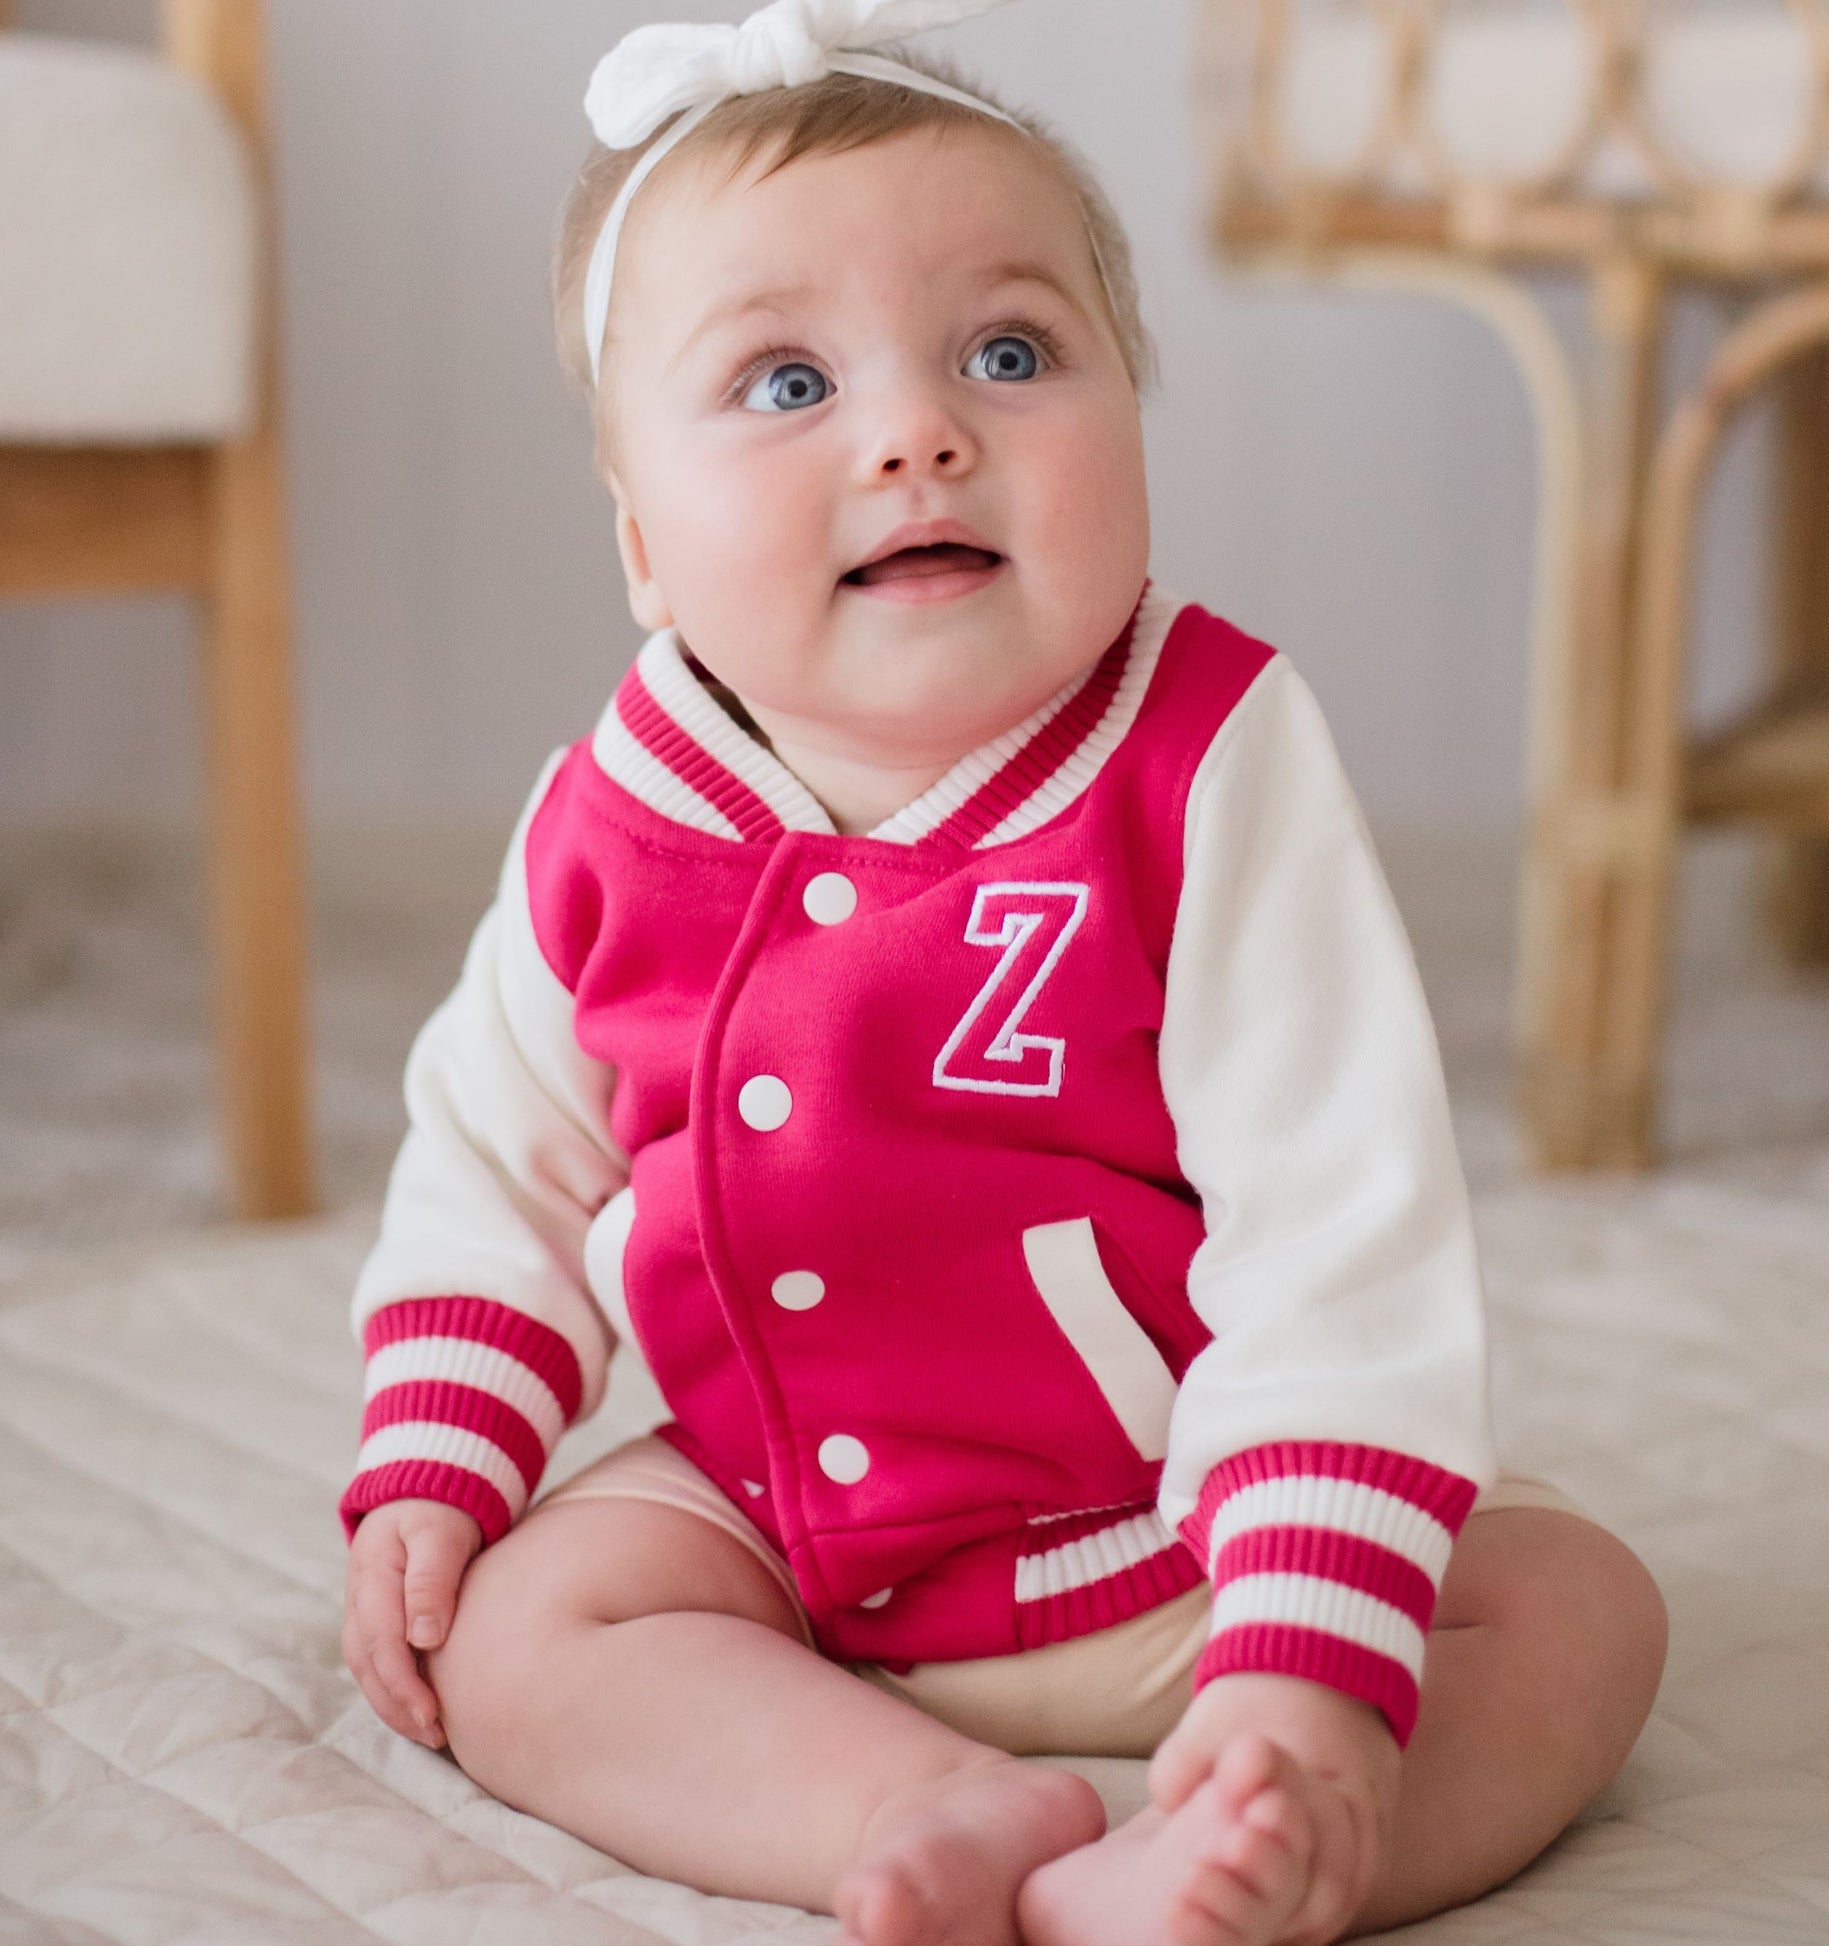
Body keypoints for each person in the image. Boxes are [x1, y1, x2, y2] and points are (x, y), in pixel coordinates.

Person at [338, 6, 1667, 1942]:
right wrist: (438, 1459)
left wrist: (1303, 1655)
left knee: (1573, 1617)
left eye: (1011, 352)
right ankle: (935, 1814)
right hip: (776, 1528)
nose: (914, 430)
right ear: (642, 542)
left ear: (1136, 411)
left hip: (1163, 1532)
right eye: (785, 381)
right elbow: (493, 1162)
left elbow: (1340, 1216)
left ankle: (1273, 1829)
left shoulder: (1204, 758)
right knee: (527, 1631)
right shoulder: (610, 822)